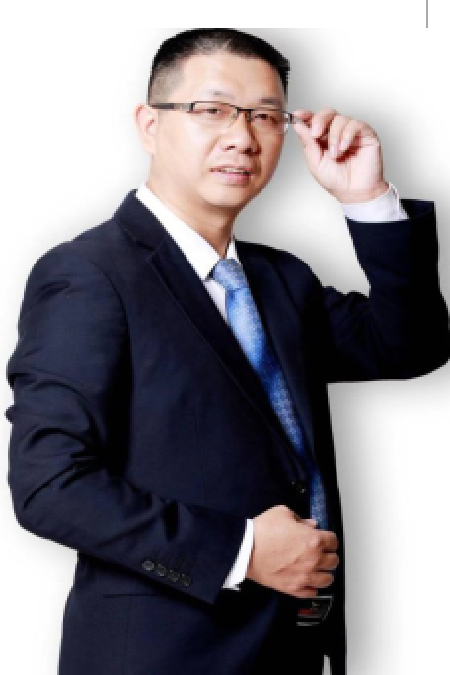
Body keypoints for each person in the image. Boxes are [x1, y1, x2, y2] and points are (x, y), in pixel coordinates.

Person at [5, 28, 449, 675]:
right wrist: (241, 551)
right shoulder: (89, 274)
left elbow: (410, 346)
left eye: (265, 115)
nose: (242, 137)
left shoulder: (281, 279)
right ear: (149, 124)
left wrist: (367, 199)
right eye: (211, 109)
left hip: (291, 651)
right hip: (163, 657)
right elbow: (50, 485)